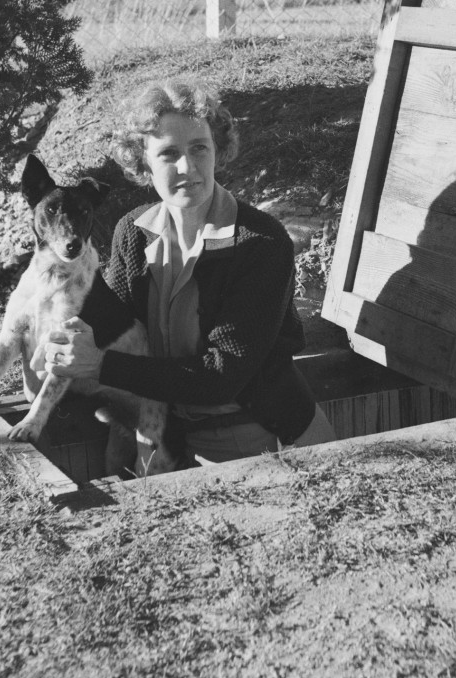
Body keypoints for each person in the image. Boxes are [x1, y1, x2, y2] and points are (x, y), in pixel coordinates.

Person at [44, 78, 336, 466]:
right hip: (174, 440)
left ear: (218, 149)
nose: (188, 167)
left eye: (199, 148)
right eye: (168, 153)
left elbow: (221, 375)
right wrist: (60, 336)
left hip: (268, 442)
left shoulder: (261, 242)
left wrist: (100, 365)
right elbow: (109, 326)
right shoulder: (132, 232)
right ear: (142, 162)